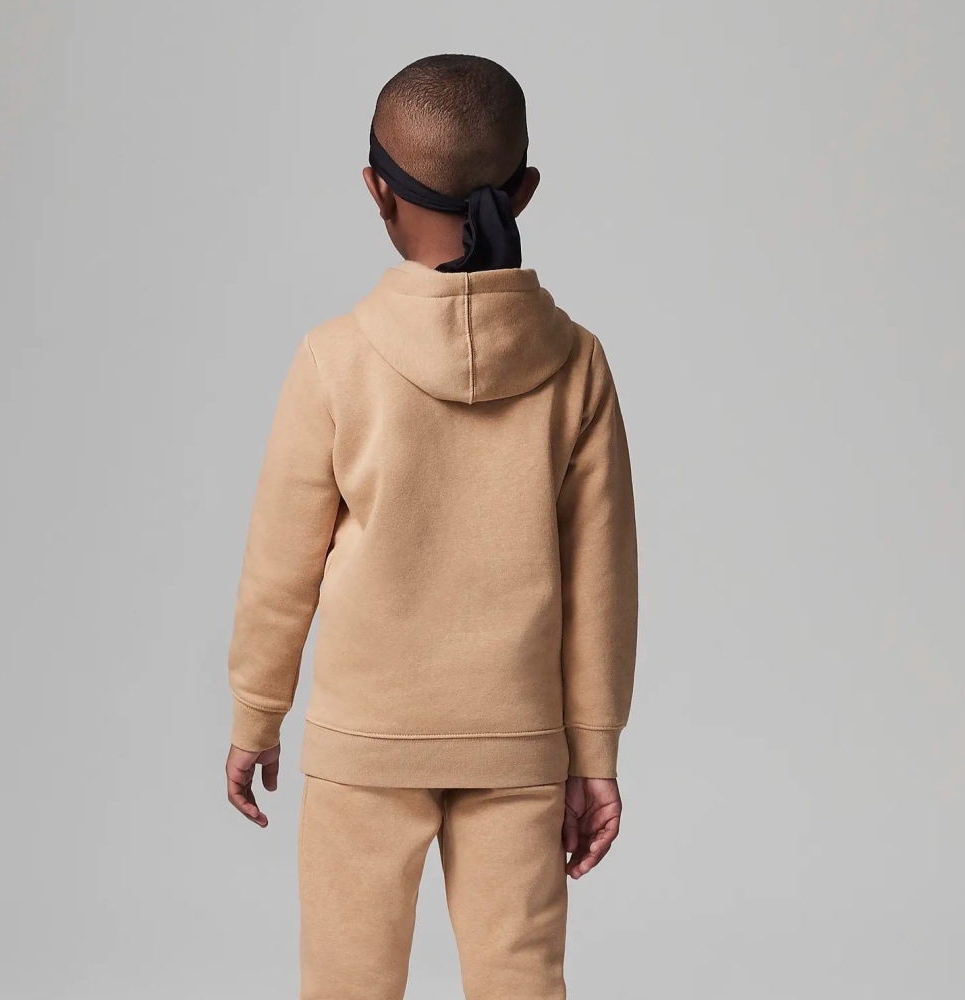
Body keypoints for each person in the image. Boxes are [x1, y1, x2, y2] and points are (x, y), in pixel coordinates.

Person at [224, 52, 638, 999]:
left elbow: (280, 568)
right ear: (524, 192)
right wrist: (595, 752)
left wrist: (256, 716)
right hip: (520, 740)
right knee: (520, 980)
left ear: (376, 189)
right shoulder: (576, 362)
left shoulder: (334, 359)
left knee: (347, 983)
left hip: (365, 738)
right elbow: (602, 582)